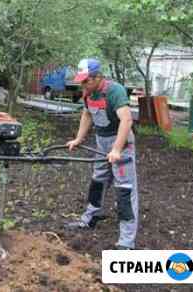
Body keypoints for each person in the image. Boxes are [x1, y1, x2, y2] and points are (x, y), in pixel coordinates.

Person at [65, 58, 138, 250]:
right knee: (97, 181)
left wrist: (116, 149)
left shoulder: (115, 91)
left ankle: (126, 241)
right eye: (81, 81)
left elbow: (127, 120)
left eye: (86, 81)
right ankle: (90, 218)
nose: (82, 85)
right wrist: (78, 139)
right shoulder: (88, 92)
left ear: (97, 77)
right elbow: (87, 114)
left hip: (121, 143)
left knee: (124, 189)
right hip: (101, 142)